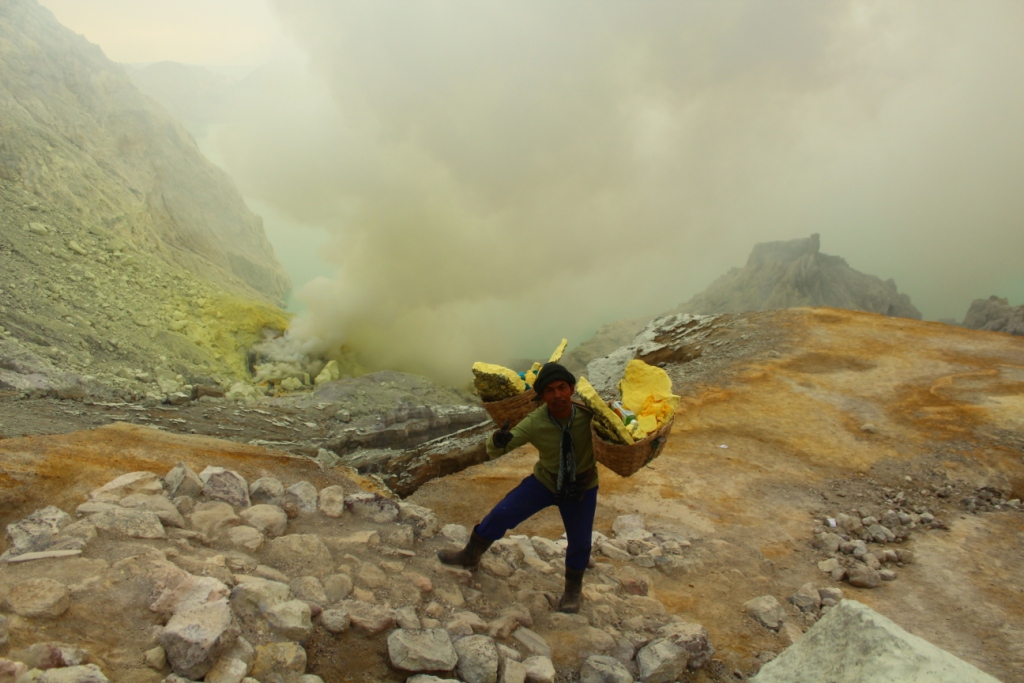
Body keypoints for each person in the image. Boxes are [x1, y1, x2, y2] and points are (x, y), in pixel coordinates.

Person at [437, 361, 598, 613]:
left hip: (582, 486)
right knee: (502, 513)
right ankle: (470, 554)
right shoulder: (535, 421)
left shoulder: (590, 415)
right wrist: (497, 439)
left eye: (562, 388)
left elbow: (618, 433)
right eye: (549, 391)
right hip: (546, 482)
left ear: (572, 389)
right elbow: (500, 447)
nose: (557, 395)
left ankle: (572, 591)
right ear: (542, 397)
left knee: (580, 541)